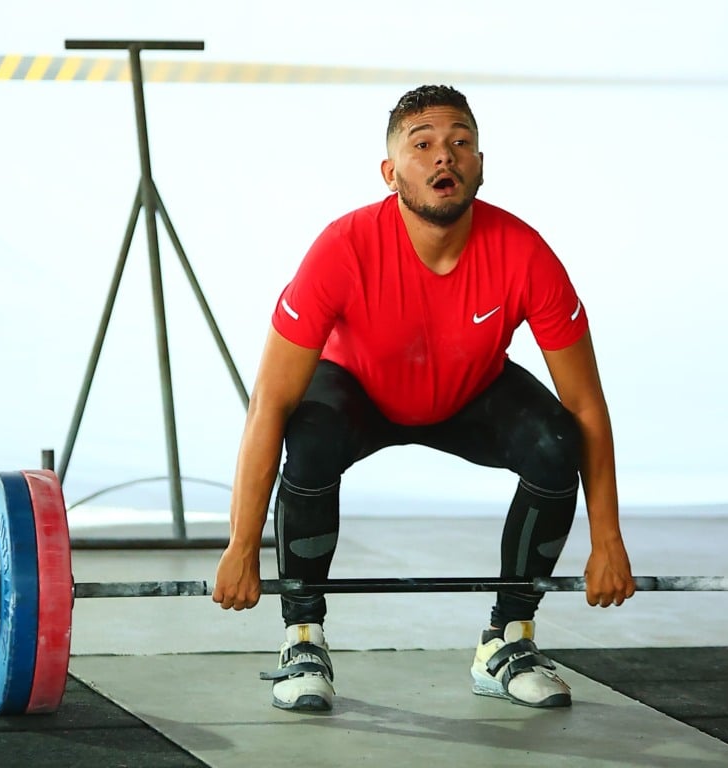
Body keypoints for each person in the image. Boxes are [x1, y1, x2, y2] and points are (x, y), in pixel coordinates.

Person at [212, 84, 636, 712]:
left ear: (481, 165)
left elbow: (587, 408)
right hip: (360, 391)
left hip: (470, 391)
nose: (446, 156)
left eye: (461, 142)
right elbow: (267, 404)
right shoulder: (342, 248)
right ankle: (302, 636)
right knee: (307, 434)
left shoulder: (525, 254)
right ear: (391, 173)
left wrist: (609, 539)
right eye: (424, 144)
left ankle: (508, 640)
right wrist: (241, 546)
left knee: (556, 441)